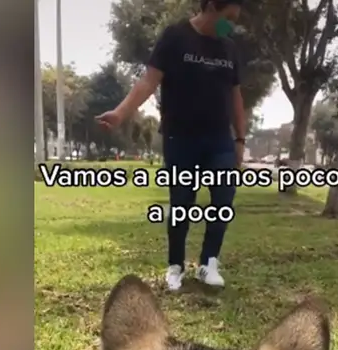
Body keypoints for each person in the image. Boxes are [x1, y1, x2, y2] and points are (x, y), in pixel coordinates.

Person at [97, 0, 246, 291]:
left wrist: (240, 138)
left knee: (223, 201)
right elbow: (148, 82)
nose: (231, 26)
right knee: (182, 204)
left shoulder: (229, 49)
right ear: (212, 7)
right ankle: (175, 266)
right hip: (181, 139)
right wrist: (120, 112)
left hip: (219, 140)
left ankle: (209, 263)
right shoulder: (175, 37)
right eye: (228, 18)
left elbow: (236, 98)